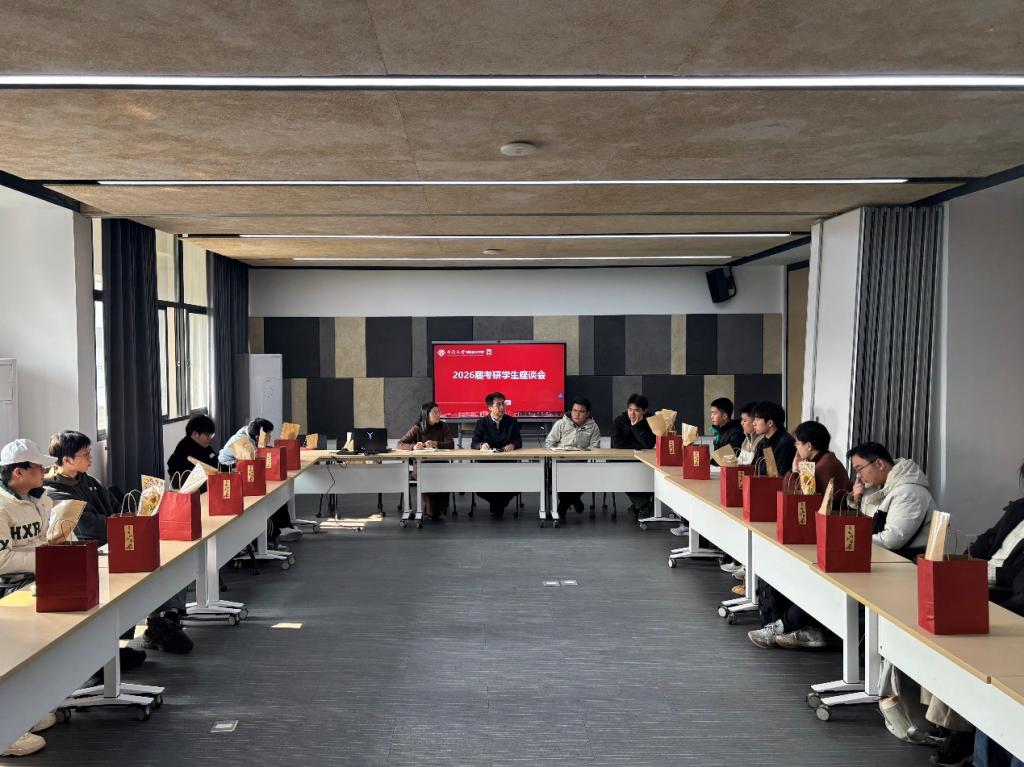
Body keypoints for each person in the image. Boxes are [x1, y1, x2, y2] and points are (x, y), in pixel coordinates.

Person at [44, 431, 193, 655]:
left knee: (168, 558)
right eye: (85, 454)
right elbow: (87, 526)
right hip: (93, 550)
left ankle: (165, 617)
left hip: (116, 540)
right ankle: (145, 628)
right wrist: (122, 524)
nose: (91, 457)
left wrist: (129, 518)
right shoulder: (53, 491)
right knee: (143, 566)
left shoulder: (88, 480)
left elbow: (117, 506)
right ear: (67, 460)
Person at [748, 421, 853, 649]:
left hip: (825, 537)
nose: (795, 448)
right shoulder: (820, 461)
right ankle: (780, 624)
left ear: (809, 445)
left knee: (794, 574)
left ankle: (780, 625)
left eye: (798, 443)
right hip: (817, 533)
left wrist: (794, 470)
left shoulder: (824, 466)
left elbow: (796, 495)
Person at [0, 439, 75, 758]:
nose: (45, 471)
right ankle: (6, 730)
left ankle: (26, 712)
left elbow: (41, 540)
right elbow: (2, 561)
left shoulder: (39, 498)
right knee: (12, 655)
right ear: (18, 472)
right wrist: (47, 559)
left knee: (43, 648)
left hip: (35, 581)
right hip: (8, 589)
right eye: (38, 467)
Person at [218, 418, 301, 542]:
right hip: (229, 471)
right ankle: (278, 529)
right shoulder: (241, 441)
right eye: (268, 433)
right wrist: (262, 445)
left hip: (245, 470)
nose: (270, 436)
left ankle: (284, 525)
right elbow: (253, 459)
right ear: (259, 435)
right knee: (270, 494)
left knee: (278, 492)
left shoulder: (251, 435)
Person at [847, 442, 935, 557]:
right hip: (882, 555)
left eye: (859, 469)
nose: (858, 476)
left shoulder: (909, 493)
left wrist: (850, 541)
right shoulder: (877, 486)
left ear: (879, 464)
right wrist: (856, 499)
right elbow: (867, 526)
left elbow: (892, 540)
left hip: (907, 562)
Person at [397, 402, 455, 521]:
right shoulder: (417, 428)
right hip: (422, 467)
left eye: (439, 412)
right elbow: (400, 443)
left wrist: (436, 444)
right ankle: (431, 510)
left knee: (441, 485)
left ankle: (438, 508)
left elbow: (451, 444)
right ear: (426, 415)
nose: (438, 414)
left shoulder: (443, 426)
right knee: (433, 511)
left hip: (440, 465)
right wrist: (413, 446)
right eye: (435, 412)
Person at [545, 396, 601, 516]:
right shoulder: (561, 424)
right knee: (554, 475)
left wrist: (583, 452)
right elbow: (549, 443)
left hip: (581, 464)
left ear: (587, 414)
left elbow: (595, 448)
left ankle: (564, 503)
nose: (577, 414)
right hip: (560, 463)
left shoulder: (593, 427)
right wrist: (558, 451)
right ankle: (574, 500)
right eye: (574, 410)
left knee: (587, 475)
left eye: (581, 412)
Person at [470, 392, 522, 517]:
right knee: (481, 487)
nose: (502, 407)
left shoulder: (512, 421)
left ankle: (497, 505)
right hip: (487, 464)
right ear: (489, 407)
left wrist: (513, 445)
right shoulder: (481, 423)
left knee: (515, 484)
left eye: (503, 404)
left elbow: (519, 441)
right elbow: (474, 443)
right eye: (498, 404)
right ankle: (499, 504)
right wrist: (481, 445)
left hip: (507, 463)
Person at [611, 393, 656, 517]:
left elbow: (649, 443)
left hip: (646, 462)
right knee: (622, 475)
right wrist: (639, 445)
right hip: (624, 461)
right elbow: (617, 444)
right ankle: (643, 504)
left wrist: (636, 426)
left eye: (636, 410)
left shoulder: (651, 421)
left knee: (650, 477)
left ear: (644, 411)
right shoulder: (620, 421)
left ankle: (639, 504)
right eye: (630, 409)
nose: (632, 413)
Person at [750, 402, 796, 476]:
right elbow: (754, 469)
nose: (754, 423)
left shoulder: (786, 443)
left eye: (757, 420)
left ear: (770, 423)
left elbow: (780, 475)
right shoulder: (762, 442)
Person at [167, 414, 218, 480]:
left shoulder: (205, 446)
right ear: (195, 434)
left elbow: (215, 462)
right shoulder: (183, 448)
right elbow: (176, 472)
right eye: (207, 435)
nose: (210, 438)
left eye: (211, 435)